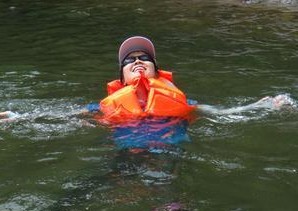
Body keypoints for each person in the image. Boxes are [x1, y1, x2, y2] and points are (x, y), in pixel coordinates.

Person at [1, 36, 295, 124]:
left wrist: (264, 105)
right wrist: (17, 116)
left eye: (145, 58)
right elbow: (57, 117)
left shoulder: (184, 102)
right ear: (121, 76)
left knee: (172, 209)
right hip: (126, 156)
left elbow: (224, 114)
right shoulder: (101, 107)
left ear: (157, 70)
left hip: (168, 155)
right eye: (129, 60)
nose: (138, 61)